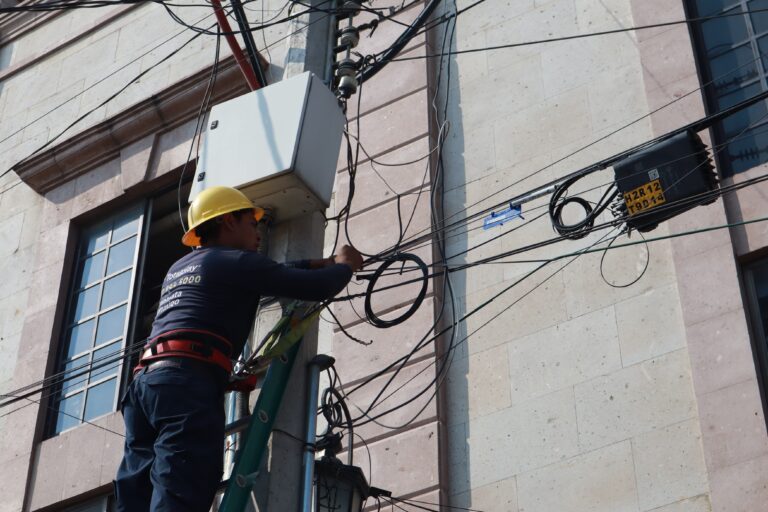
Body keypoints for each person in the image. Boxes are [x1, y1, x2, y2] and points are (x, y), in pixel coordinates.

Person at [114, 186, 362, 511]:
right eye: (251, 223)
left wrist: (324, 260)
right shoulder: (239, 263)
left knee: (136, 493)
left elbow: (284, 269)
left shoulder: (183, 267)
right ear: (229, 221)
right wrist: (344, 266)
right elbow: (315, 287)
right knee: (182, 484)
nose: (257, 232)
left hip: (145, 388)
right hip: (186, 385)